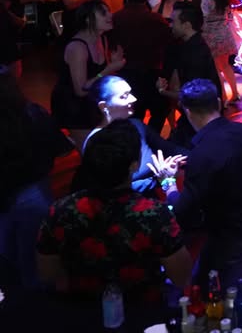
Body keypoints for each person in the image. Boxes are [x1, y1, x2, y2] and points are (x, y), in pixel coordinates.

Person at [37, 120, 192, 303]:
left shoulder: (59, 211)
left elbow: (47, 274)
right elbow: (182, 277)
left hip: (78, 308)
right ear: (134, 165)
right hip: (142, 310)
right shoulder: (155, 215)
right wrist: (168, 183)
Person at [152, 79, 242, 289]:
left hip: (232, 242)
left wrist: (168, 182)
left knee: (226, 296)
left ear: (187, 112)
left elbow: (182, 212)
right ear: (218, 102)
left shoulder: (203, 153)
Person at [0, 70, 73, 288]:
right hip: (33, 192)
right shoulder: (33, 113)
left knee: (6, 258)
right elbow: (62, 148)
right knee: (34, 259)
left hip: (8, 196)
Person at [72, 75, 187, 195]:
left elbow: (168, 148)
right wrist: (162, 179)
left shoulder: (136, 124)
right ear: (103, 106)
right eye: (124, 96)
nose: (134, 99)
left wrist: (196, 157)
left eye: (130, 93)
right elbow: (111, 190)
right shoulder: (96, 142)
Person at [50, 0, 125, 147]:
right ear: (88, 19)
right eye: (103, 13)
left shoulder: (102, 39)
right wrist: (108, 69)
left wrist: (113, 65)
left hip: (92, 103)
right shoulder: (77, 47)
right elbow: (81, 90)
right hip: (73, 105)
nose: (110, 15)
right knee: (90, 150)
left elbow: (100, 77)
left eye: (109, 11)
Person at [110, 0, 173, 133]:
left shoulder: (115, 19)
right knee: (159, 111)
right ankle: (150, 138)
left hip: (125, 74)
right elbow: (168, 48)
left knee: (132, 116)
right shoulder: (157, 20)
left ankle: (136, 141)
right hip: (152, 73)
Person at [157, 2, 223, 145]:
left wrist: (163, 91)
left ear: (186, 25)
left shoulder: (195, 53)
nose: (170, 25)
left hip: (201, 118)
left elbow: (193, 95)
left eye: (174, 21)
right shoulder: (189, 45)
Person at [201, 0, 240, 105]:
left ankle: (222, 96)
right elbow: (230, 16)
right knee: (225, 65)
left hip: (211, 35)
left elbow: (205, 17)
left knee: (216, 68)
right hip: (225, 34)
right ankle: (234, 93)